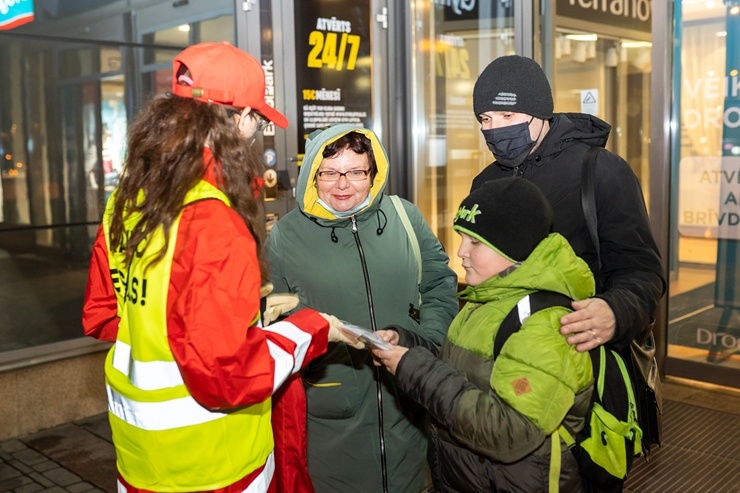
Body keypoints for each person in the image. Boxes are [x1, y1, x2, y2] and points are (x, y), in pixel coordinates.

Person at [81, 41, 354, 493]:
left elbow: (106, 315)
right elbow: (228, 377)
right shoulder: (212, 217)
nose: (259, 130)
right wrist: (310, 328)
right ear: (237, 117)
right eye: (260, 119)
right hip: (217, 466)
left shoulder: (127, 201)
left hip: (140, 461)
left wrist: (242, 315)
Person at [266, 124, 459, 493]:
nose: (343, 184)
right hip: (332, 416)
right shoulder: (284, 238)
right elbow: (273, 320)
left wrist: (426, 342)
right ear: (313, 175)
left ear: (373, 174)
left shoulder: (404, 218)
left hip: (409, 405)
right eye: (330, 173)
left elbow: (438, 283)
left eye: (356, 172)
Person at [372, 177, 595, 492]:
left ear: (513, 245)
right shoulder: (488, 298)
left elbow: (510, 433)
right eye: (462, 238)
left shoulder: (546, 324)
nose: (461, 252)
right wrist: (409, 347)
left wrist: (415, 369)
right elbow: (465, 372)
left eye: (475, 242)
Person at [470, 55, 665, 353]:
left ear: (541, 113)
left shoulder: (601, 170)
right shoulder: (484, 184)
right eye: (485, 119)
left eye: (507, 116)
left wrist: (615, 311)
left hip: (579, 351)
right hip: (500, 349)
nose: (495, 129)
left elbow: (641, 269)